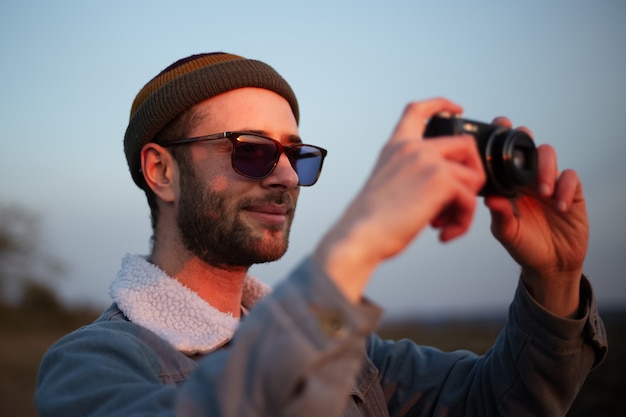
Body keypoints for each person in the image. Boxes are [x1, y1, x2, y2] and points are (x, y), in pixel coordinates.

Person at [35, 52, 607, 417]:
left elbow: (497, 402)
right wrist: (359, 239)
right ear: (161, 171)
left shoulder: (346, 348)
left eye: (296, 154)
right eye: (253, 151)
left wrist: (553, 276)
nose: (286, 175)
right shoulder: (94, 365)